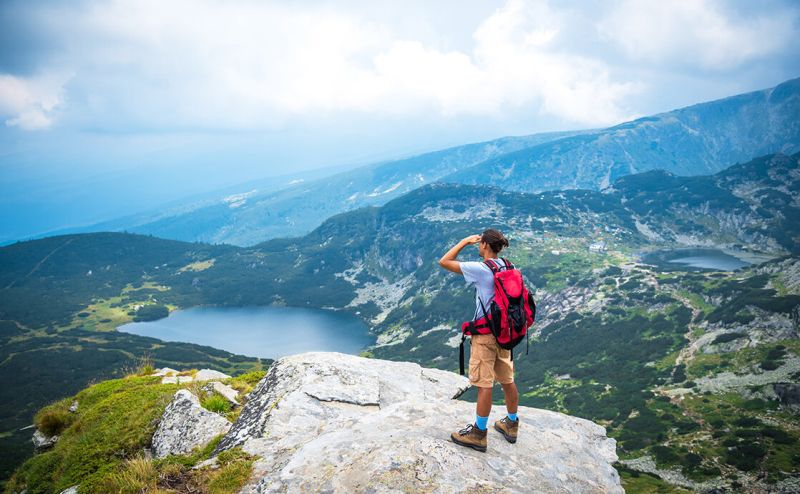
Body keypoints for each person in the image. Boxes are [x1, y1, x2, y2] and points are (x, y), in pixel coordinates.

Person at [438, 228, 520, 452]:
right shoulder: (508, 266)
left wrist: (464, 241)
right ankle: (511, 423)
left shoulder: (480, 269)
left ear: (483, 244)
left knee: (484, 384)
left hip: (485, 335)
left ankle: (478, 433)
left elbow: (444, 261)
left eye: (480, 243)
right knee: (507, 379)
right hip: (505, 333)